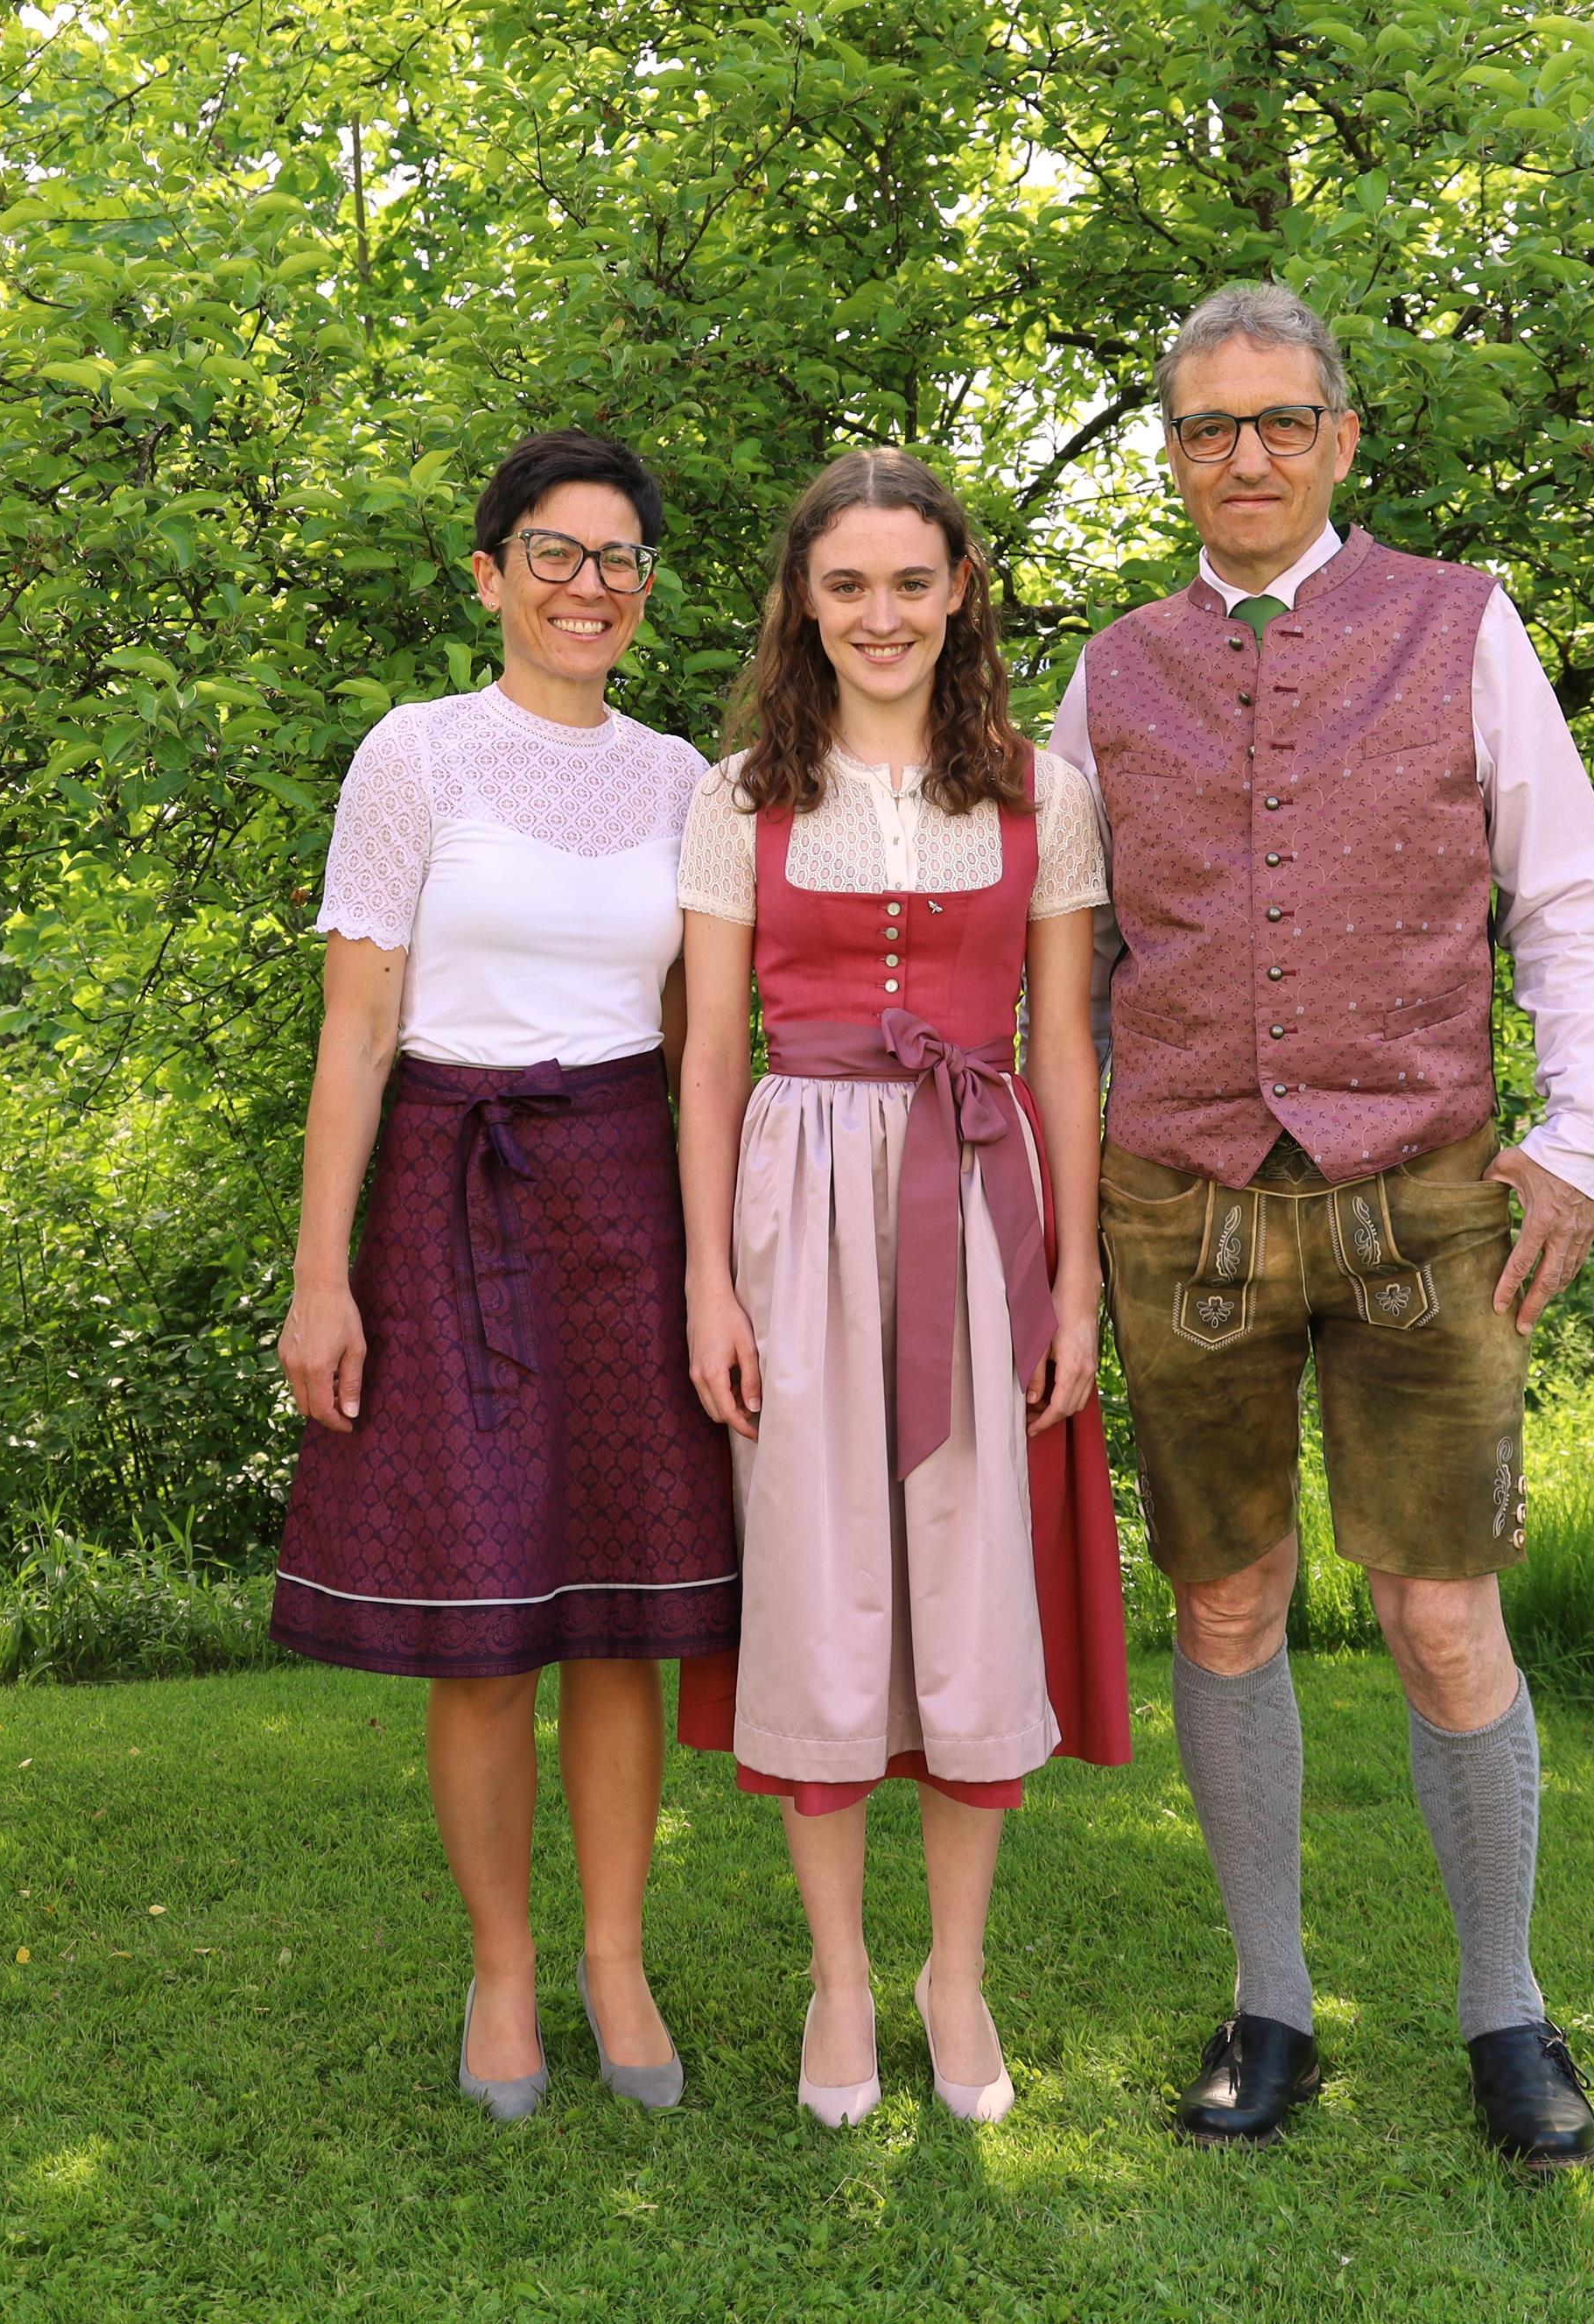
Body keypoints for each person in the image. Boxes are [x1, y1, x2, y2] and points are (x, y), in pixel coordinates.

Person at [1053, 284, 1594, 2173]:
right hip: (1182, 1202)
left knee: (1437, 1604)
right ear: (1171, 455)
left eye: (1279, 421)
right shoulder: (1107, 675)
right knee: (1225, 1598)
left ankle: (1504, 2010)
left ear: (1341, 438)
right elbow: (1067, 966)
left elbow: (1561, 894)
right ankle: (1271, 2003)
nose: (1244, 455)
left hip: (1421, 1195)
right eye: (1205, 427)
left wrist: (1582, 1138)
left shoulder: (1462, 625)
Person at [270, 430, 737, 2123]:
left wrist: (722, 1265)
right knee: (481, 1632)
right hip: (447, 1194)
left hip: (627, 1201)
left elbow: (701, 1044)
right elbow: (357, 1027)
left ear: (646, 589)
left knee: (618, 1614)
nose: (588, 586)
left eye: (619, 560)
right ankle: (503, 1968)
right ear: (490, 575)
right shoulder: (414, 755)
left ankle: (616, 1957)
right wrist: (321, 1276)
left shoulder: (686, 780)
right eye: (555, 552)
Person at [671, 447, 1133, 2129]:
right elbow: (707, 1057)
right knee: (816, 1584)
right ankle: (839, 1977)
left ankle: (955, 1973)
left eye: (912, 583)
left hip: (982, 1202)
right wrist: (710, 1283)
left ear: (961, 596)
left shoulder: (1039, 791)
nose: (882, 614)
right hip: (794, 1208)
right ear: (803, 601)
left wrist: (1076, 1283)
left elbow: (1064, 1047)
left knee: (966, 1579)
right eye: (848, 584)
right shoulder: (737, 796)